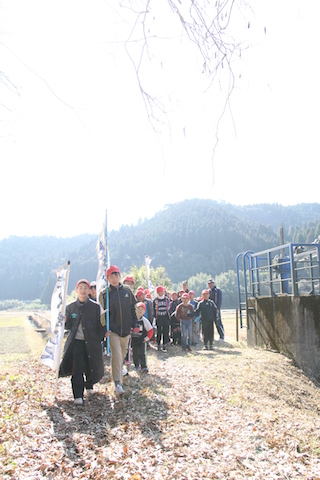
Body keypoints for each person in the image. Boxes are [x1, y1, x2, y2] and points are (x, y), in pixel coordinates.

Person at [59, 279, 106, 405]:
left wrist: (102, 336)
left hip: (91, 342)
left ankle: (89, 385)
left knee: (91, 364)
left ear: (89, 290)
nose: (83, 290)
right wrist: (64, 321)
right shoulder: (70, 307)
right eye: (80, 288)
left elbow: (101, 325)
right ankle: (78, 395)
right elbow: (68, 326)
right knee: (77, 368)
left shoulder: (95, 307)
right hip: (76, 343)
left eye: (85, 288)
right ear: (76, 290)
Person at [99, 265, 138, 395]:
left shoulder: (127, 290)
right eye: (111, 276)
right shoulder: (105, 294)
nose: (114, 278)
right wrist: (105, 328)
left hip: (126, 329)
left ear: (120, 276)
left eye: (116, 276)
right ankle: (117, 384)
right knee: (116, 354)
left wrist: (134, 322)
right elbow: (102, 314)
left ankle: (117, 372)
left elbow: (133, 307)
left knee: (121, 355)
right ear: (108, 278)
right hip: (113, 330)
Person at [131, 302, 153, 372]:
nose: (140, 311)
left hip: (141, 341)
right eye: (138, 309)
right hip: (134, 340)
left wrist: (146, 339)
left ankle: (143, 366)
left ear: (144, 311)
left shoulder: (145, 321)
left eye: (142, 309)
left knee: (142, 353)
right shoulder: (132, 320)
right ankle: (136, 365)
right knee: (134, 353)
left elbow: (150, 330)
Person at [153, 285, 171, 351]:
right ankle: (158, 344)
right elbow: (154, 309)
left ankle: (164, 344)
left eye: (163, 291)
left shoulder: (166, 299)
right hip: (159, 317)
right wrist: (155, 317)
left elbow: (169, 307)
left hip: (165, 317)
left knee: (165, 331)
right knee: (159, 331)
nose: (162, 293)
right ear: (158, 292)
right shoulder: (155, 300)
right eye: (161, 292)